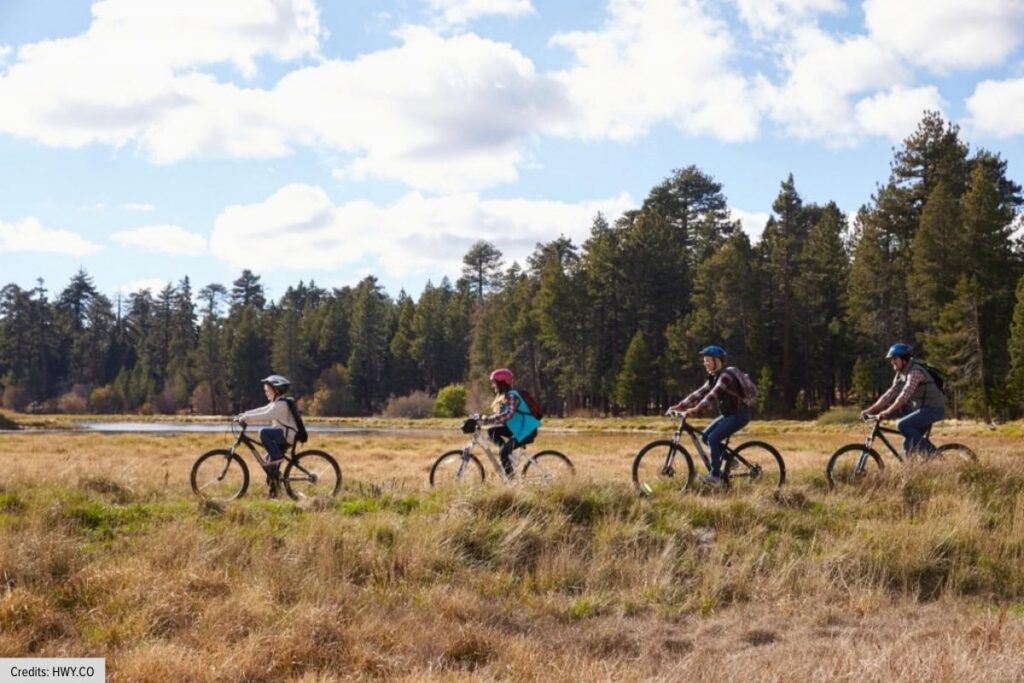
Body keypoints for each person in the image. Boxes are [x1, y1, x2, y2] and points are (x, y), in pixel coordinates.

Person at [666, 345, 751, 487]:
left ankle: (715, 476)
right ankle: (730, 460)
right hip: (728, 415)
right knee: (705, 437)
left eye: (708, 360)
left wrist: (694, 409)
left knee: (713, 438)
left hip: (739, 415)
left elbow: (711, 396)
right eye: (704, 360)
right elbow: (699, 393)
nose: (705, 363)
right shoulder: (714, 377)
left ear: (717, 361)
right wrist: (680, 406)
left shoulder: (725, 377)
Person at [861, 343, 946, 458]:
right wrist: (870, 410)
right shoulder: (900, 374)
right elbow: (889, 395)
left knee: (902, 424)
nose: (892, 362)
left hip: (933, 409)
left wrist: (887, 412)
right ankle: (914, 467)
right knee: (908, 444)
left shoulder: (915, 372)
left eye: (894, 358)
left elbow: (904, 396)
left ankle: (934, 455)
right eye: (891, 359)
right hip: (922, 409)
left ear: (904, 360)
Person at [235, 374, 300, 497]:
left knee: (263, 432)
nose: (265, 392)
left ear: (276, 390)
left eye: (267, 390)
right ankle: (274, 493)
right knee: (269, 465)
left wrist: (246, 418)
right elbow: (262, 410)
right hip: (282, 434)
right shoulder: (277, 402)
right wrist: (244, 414)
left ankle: (277, 457)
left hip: (287, 436)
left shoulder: (281, 405)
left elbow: (265, 415)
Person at [475, 368, 541, 478]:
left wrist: (486, 419)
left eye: (494, 382)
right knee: (492, 431)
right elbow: (499, 415)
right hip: (519, 429)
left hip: (527, 431)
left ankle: (510, 480)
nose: (493, 385)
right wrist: (481, 418)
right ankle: (506, 453)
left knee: (503, 453)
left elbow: (507, 414)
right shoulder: (505, 396)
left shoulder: (511, 396)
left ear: (502, 382)